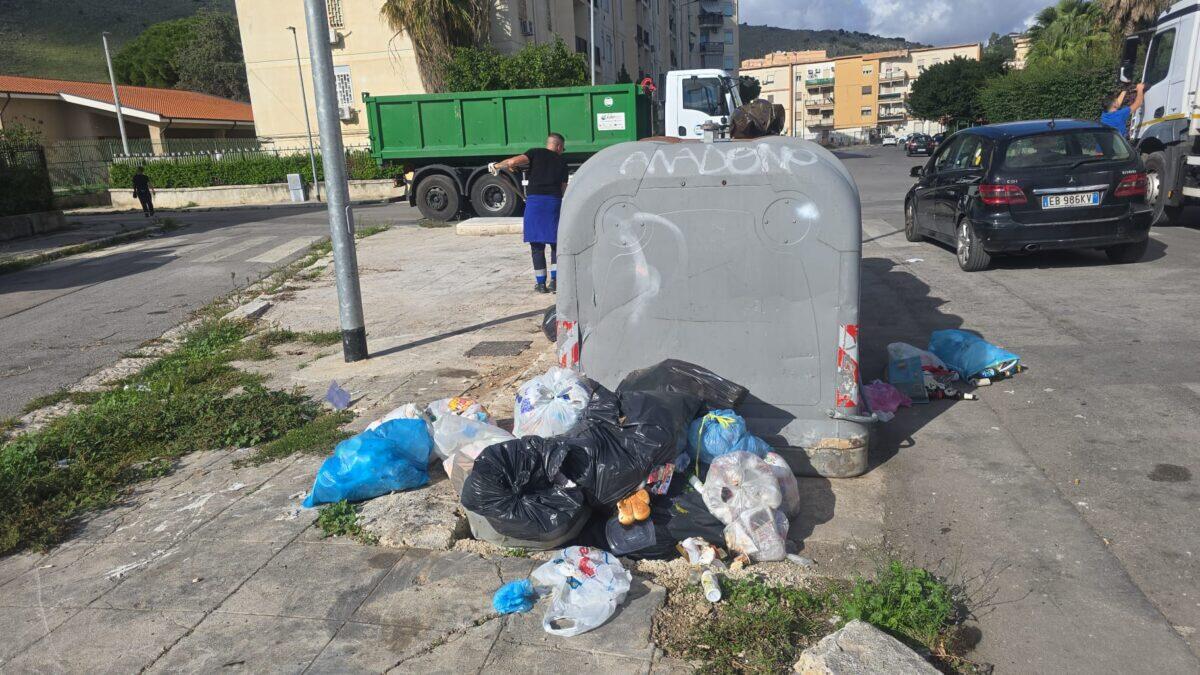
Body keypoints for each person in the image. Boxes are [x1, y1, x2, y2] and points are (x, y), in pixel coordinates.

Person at [490, 133, 569, 294]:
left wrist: (496, 166)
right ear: (559, 146)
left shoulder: (535, 152)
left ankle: (541, 284)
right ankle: (555, 281)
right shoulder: (562, 162)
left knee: (537, 245)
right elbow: (563, 188)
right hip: (553, 203)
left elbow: (512, 162)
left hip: (535, 203)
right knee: (555, 244)